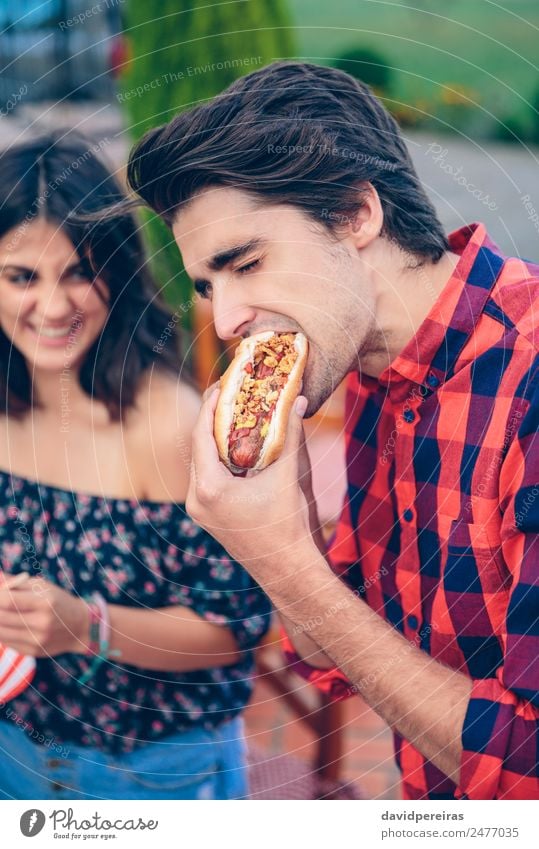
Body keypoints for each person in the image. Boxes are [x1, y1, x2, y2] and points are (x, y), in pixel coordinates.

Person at [122, 61, 539, 801]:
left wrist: (283, 562)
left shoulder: (525, 381)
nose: (224, 323)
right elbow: (333, 647)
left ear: (355, 215)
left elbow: (524, 771)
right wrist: (284, 525)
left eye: (245, 262)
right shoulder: (367, 363)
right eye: (209, 286)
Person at [0, 133, 271, 800]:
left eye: (79, 270)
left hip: (149, 771)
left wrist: (83, 625)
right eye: (21, 276)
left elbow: (235, 630)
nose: (55, 307)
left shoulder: (172, 423)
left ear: (117, 271)